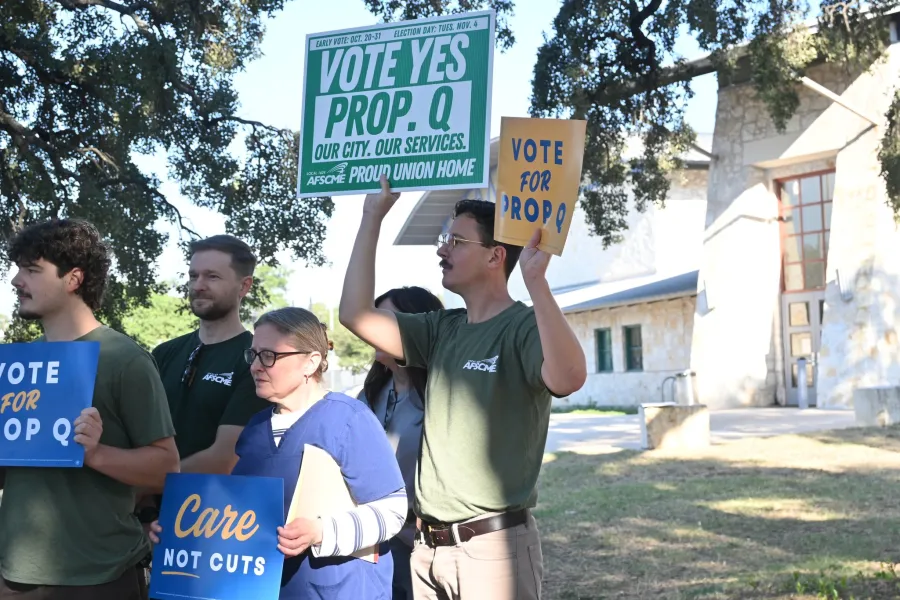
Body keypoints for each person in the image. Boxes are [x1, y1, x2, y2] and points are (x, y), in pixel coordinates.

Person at [339, 176, 588, 600]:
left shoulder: (523, 324)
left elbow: (567, 379)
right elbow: (355, 314)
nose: (442, 249)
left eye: (455, 240)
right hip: (427, 549)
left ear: (495, 256)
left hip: (492, 551)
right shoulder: (441, 330)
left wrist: (537, 282)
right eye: (443, 239)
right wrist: (372, 216)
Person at [150, 307, 407, 599]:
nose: (256, 366)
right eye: (253, 355)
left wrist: (320, 531)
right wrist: (181, 532)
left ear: (310, 362)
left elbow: (392, 512)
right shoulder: (256, 429)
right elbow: (236, 522)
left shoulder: (349, 420)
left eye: (269, 356)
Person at [0, 219, 179, 600]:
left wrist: (95, 453)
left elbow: (167, 468)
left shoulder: (124, 359)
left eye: (31, 270)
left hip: (101, 576)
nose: (16, 281)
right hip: (15, 575)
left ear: (73, 279)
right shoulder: (17, 368)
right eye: (17, 269)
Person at [138, 235, 269, 523]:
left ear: (244, 286)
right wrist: (143, 508)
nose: (198, 285)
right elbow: (137, 437)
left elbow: (223, 460)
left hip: (214, 524)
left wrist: (135, 486)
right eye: (193, 275)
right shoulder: (164, 353)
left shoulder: (253, 359)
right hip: (145, 524)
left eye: (212, 276)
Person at [358, 286, 444, 600]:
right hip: (369, 543)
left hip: (422, 548)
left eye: (387, 321)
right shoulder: (369, 393)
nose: (373, 330)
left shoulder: (443, 397)